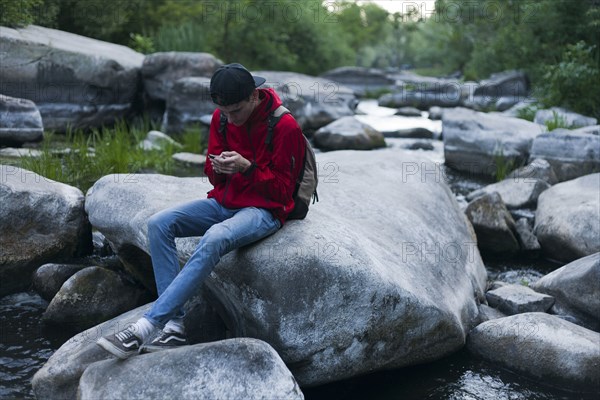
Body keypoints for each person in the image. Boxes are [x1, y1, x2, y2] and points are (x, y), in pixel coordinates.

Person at [97, 63, 306, 359]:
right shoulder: (221, 117)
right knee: (159, 224)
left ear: (254, 97)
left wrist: (247, 168)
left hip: (265, 210)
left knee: (214, 237)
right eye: (225, 111)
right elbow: (211, 172)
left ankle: (145, 328)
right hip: (225, 201)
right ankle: (174, 326)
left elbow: (284, 192)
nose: (230, 119)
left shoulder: (285, 127)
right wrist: (219, 167)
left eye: (236, 111)